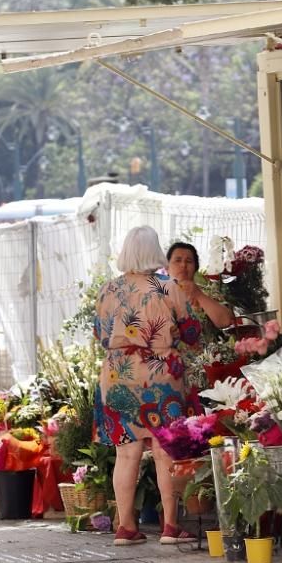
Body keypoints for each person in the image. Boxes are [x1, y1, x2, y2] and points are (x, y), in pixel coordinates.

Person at [93, 226, 201, 546]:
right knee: (164, 450)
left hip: (117, 376)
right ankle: (170, 526)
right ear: (155, 251)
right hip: (160, 374)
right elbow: (192, 334)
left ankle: (126, 527)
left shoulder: (108, 290)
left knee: (126, 453)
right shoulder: (168, 288)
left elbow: (101, 336)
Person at [166, 242, 234, 329]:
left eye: (189, 261)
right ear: (167, 267)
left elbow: (226, 321)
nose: (183, 265)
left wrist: (199, 294)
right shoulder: (156, 296)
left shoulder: (209, 293)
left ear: (195, 267)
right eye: (178, 260)